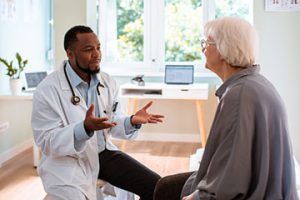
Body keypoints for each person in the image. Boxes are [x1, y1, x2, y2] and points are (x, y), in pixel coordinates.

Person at [154, 16, 298, 200]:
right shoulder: (254, 84)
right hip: (259, 184)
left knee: (164, 190)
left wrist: (197, 197)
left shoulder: (239, 95)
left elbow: (231, 178)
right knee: (165, 185)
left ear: (223, 49)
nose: (202, 49)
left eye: (207, 43)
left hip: (249, 191)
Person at [31, 25, 164, 200]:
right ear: (70, 54)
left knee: (159, 188)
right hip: (69, 161)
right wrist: (83, 129)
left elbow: (113, 121)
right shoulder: (47, 90)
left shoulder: (107, 82)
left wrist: (131, 121)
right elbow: (46, 141)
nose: (97, 54)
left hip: (104, 155)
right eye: (88, 49)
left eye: (98, 47)